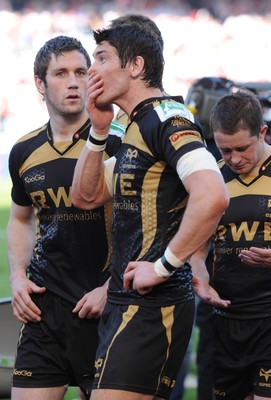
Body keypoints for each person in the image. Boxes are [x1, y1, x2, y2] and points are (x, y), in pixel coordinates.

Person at [71, 23, 229, 400]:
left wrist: (162, 267)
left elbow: (212, 196)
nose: (92, 71)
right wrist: (97, 130)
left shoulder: (168, 118)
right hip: (127, 303)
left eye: (102, 58)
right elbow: (86, 196)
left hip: (153, 307)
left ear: (136, 66)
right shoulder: (134, 126)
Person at [6, 35, 124, 400]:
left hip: (106, 309)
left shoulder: (119, 145)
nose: (74, 82)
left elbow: (144, 228)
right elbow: (21, 219)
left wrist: (110, 289)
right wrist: (17, 278)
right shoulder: (24, 152)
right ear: (40, 84)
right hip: (45, 310)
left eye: (80, 72)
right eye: (60, 73)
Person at [191, 88, 271, 400]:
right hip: (225, 322)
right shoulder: (211, 179)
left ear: (262, 132)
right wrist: (201, 277)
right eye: (225, 150)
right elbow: (197, 248)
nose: (234, 159)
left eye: (241, 148)